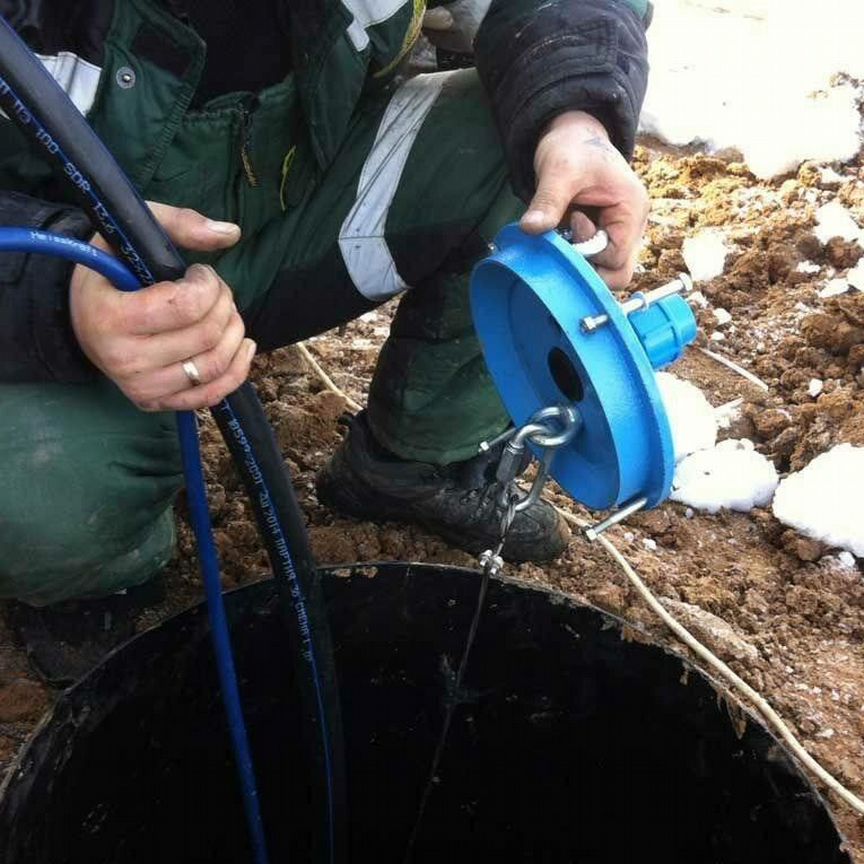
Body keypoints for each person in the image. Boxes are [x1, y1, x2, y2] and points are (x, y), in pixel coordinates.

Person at [0, 0, 650, 680]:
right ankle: (102, 582)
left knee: (527, 132)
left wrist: (575, 118)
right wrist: (55, 292)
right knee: (45, 503)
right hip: (64, 281)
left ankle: (418, 464)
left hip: (285, 217)